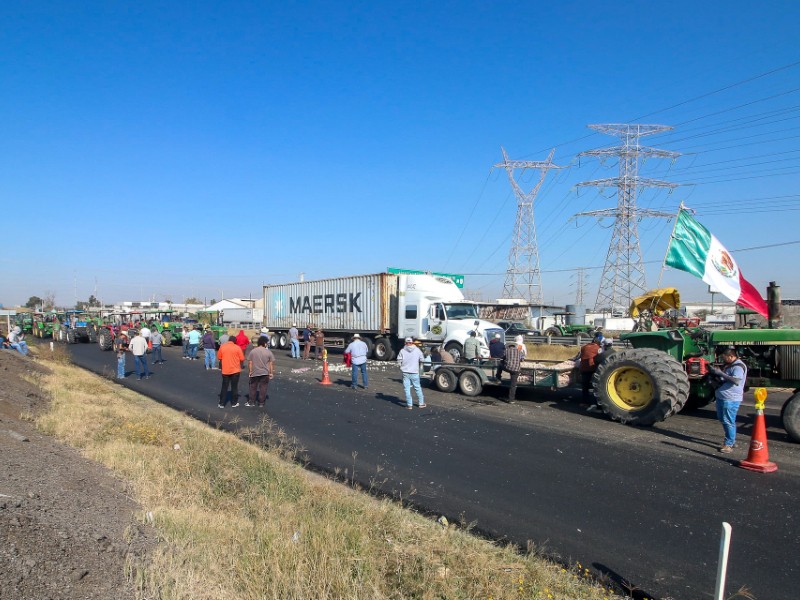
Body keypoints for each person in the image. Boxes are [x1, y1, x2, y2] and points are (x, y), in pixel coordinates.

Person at [709, 347, 747, 453]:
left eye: (724, 357)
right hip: (723, 397)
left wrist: (720, 373)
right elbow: (725, 378)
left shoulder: (738, 367)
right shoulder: (729, 365)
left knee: (728, 421)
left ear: (731, 356)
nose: (723, 359)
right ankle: (731, 439)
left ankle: (728, 444)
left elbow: (735, 380)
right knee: (723, 419)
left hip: (731, 399)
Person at [397, 337, 426, 409]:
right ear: (412, 342)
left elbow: (399, 360)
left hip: (405, 372)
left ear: (405, 343)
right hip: (414, 372)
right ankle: (421, 403)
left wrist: (401, 367)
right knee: (417, 388)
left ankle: (409, 405)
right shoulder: (417, 350)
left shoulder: (402, 351)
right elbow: (422, 359)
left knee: (407, 389)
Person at [217, 336, 245, 408]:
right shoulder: (237, 347)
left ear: (228, 340)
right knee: (234, 387)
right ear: (235, 341)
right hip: (235, 370)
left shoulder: (222, 347)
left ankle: (221, 403)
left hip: (225, 370)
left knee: (224, 387)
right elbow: (242, 358)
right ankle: (234, 403)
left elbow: (219, 357)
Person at [247, 336, 275, 407]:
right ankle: (261, 403)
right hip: (265, 373)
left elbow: (250, 362)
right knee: (263, 388)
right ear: (264, 343)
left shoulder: (253, 351)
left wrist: (250, 371)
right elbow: (271, 364)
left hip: (255, 372)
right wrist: (271, 373)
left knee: (253, 387)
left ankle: (251, 402)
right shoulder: (268, 352)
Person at [579, 333, 604, 412]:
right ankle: (594, 403)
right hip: (592, 369)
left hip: (583, 369)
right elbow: (600, 358)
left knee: (585, 387)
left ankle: (584, 402)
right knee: (594, 386)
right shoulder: (598, 348)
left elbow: (580, 356)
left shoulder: (584, 347)